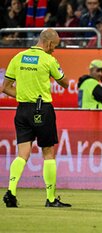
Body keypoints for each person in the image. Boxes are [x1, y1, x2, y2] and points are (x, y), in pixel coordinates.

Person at [1, 28, 71, 208]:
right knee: (48, 153)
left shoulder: (18, 57)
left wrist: (24, 95)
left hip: (22, 110)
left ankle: (11, 191)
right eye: (54, 46)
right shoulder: (49, 60)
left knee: (22, 154)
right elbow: (64, 83)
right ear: (48, 44)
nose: (54, 50)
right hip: (42, 110)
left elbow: (5, 87)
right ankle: (50, 198)